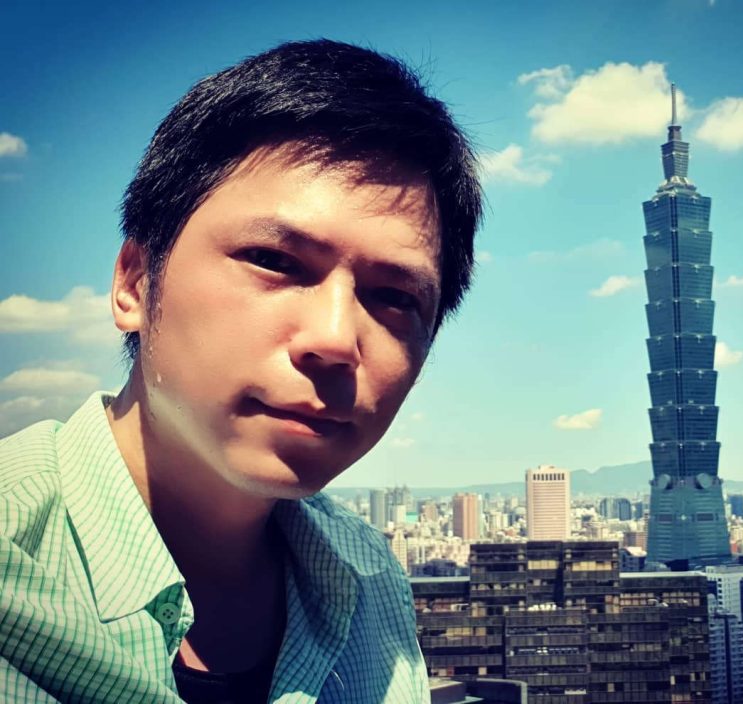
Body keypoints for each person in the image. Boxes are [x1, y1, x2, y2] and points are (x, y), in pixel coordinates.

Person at [0, 39, 482, 703]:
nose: (335, 340)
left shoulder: (369, 579)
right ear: (135, 283)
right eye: (273, 261)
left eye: (395, 298)